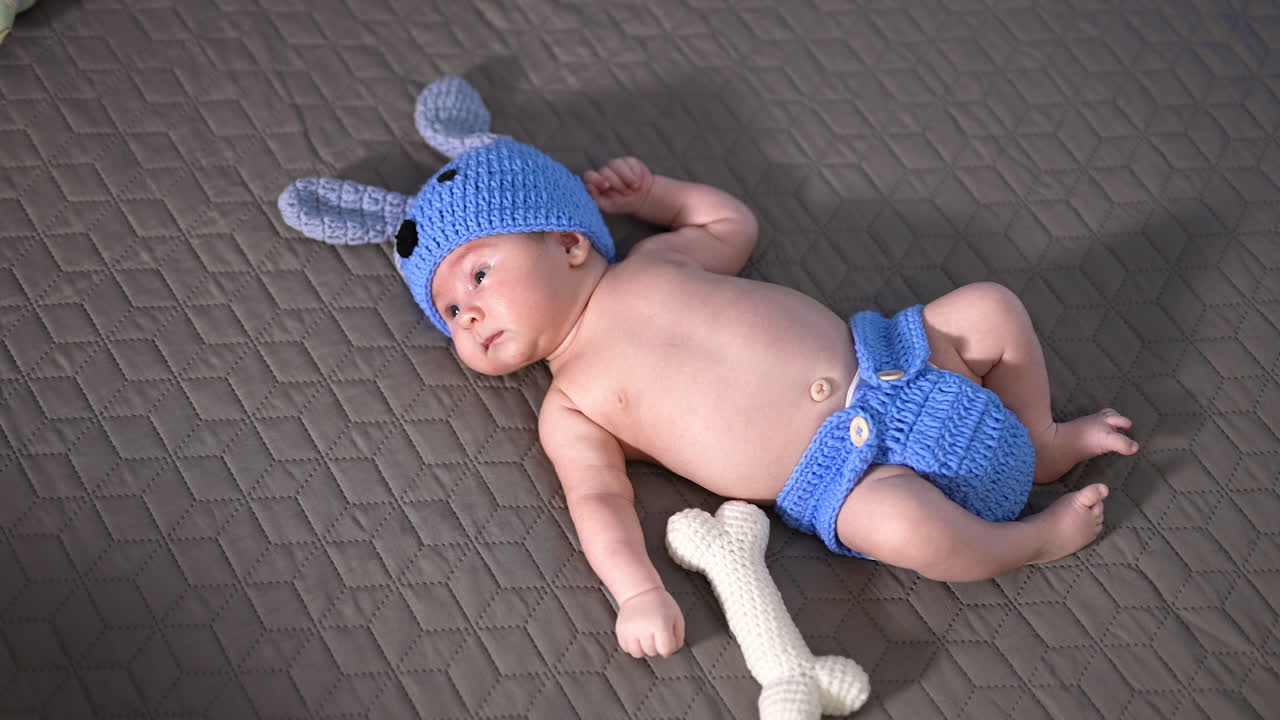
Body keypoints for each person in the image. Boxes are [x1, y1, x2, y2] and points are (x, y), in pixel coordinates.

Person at [279, 77, 1139, 662]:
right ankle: (1028, 542)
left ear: (570, 242)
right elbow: (599, 504)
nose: (465, 313)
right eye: (449, 311)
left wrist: (653, 196)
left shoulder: (657, 261)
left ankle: (1040, 438)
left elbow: (734, 226)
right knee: (910, 532)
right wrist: (636, 594)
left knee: (990, 308)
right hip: (842, 477)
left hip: (890, 360)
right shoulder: (571, 407)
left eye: (476, 274)